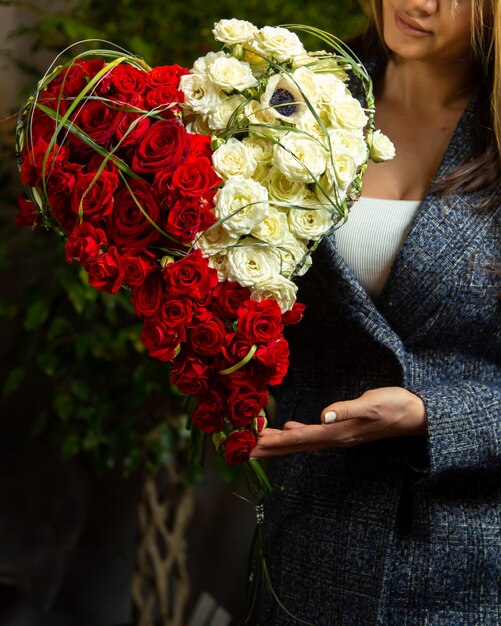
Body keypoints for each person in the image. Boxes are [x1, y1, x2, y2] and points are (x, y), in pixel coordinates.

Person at [251, 1, 501, 624]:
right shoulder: (289, 90)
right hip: (306, 543)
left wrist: (432, 415)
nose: (418, 2)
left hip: (469, 562)